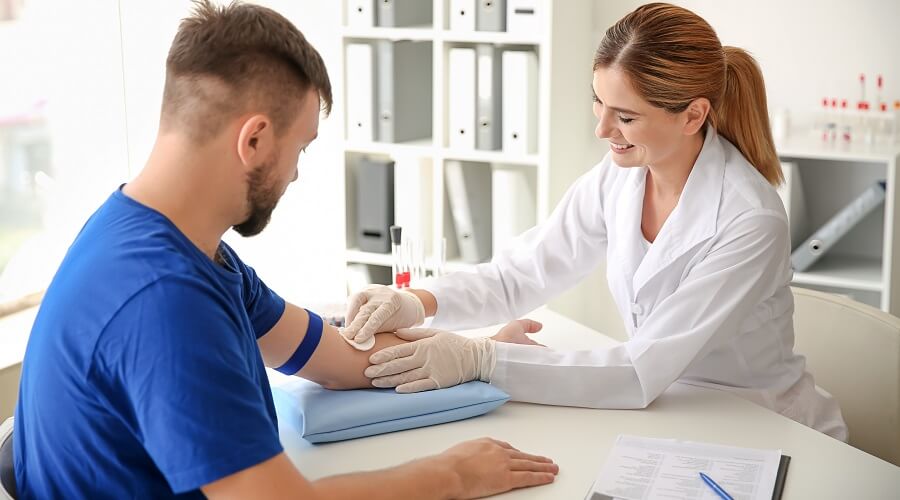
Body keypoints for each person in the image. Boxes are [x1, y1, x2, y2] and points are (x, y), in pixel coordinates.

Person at [12, 1, 558, 498]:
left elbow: (340, 360)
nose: (296, 173)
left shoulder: (175, 244)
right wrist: (454, 474)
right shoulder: (165, 299)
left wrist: (478, 354)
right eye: (300, 147)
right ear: (253, 140)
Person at [343, 2, 848, 442]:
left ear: (693, 115)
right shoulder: (621, 174)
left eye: (625, 116)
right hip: (668, 411)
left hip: (755, 422)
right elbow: (523, 272)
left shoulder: (748, 220)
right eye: (599, 102)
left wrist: (481, 359)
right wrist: (416, 301)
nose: (603, 128)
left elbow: (636, 370)